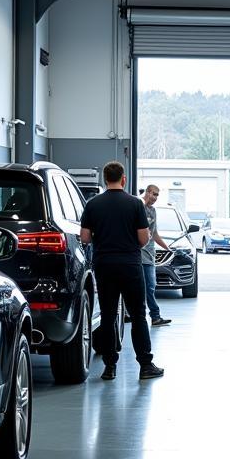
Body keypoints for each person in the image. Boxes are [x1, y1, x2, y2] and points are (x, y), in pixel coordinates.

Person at [80, 162, 164, 381]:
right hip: (130, 265)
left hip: (104, 265)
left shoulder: (92, 204)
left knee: (108, 315)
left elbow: (85, 238)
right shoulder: (135, 205)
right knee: (138, 314)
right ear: (123, 179)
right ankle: (145, 365)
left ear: (104, 179)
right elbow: (144, 238)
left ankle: (109, 367)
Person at [140, 184, 172, 327]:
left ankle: (155, 317)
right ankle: (153, 315)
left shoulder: (153, 211)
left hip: (149, 255)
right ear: (147, 192)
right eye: (153, 194)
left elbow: (154, 234)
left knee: (151, 286)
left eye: (157, 195)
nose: (154, 197)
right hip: (138, 255)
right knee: (142, 288)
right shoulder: (137, 207)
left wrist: (167, 247)